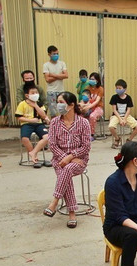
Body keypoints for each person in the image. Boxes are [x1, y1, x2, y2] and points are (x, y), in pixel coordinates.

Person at [41, 91, 90, 229]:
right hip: (59, 160)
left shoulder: (83, 123)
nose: (58, 105)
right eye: (58, 102)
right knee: (65, 170)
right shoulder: (55, 122)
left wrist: (71, 157)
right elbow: (52, 145)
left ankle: (54, 202)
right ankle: (72, 213)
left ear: (71, 105)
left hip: (79, 160)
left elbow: (86, 146)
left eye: (61, 102)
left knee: (66, 169)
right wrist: (64, 158)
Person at [16, 82, 49, 168]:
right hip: (27, 124)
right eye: (33, 93)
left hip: (38, 124)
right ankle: (34, 157)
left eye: (36, 93)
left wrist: (35, 106)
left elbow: (43, 115)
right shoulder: (22, 104)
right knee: (25, 138)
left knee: (47, 137)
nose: (35, 94)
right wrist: (30, 120)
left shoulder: (39, 104)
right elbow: (19, 117)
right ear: (27, 95)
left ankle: (34, 152)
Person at [108, 79, 137, 148]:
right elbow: (114, 110)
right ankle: (117, 139)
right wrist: (120, 119)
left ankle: (129, 140)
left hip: (126, 115)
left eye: (120, 88)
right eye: (117, 88)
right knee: (111, 127)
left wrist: (125, 119)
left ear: (124, 89)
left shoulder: (128, 98)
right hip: (116, 116)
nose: (118, 90)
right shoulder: (114, 97)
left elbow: (129, 110)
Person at [42, 45, 68, 117]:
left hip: (61, 91)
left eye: (57, 53)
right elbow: (47, 79)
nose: (56, 55)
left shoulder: (62, 63)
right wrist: (60, 76)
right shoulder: (46, 65)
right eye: (54, 54)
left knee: (63, 110)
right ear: (49, 54)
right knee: (53, 112)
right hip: (51, 92)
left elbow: (66, 75)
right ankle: (54, 126)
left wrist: (52, 75)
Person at [79, 71, 105, 139]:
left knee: (92, 116)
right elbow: (84, 99)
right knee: (80, 115)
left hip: (98, 107)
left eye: (93, 79)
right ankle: (82, 133)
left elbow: (97, 101)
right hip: (88, 106)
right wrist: (81, 105)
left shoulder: (100, 89)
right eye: (90, 79)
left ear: (97, 80)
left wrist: (88, 107)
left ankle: (91, 134)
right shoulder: (87, 88)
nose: (91, 80)